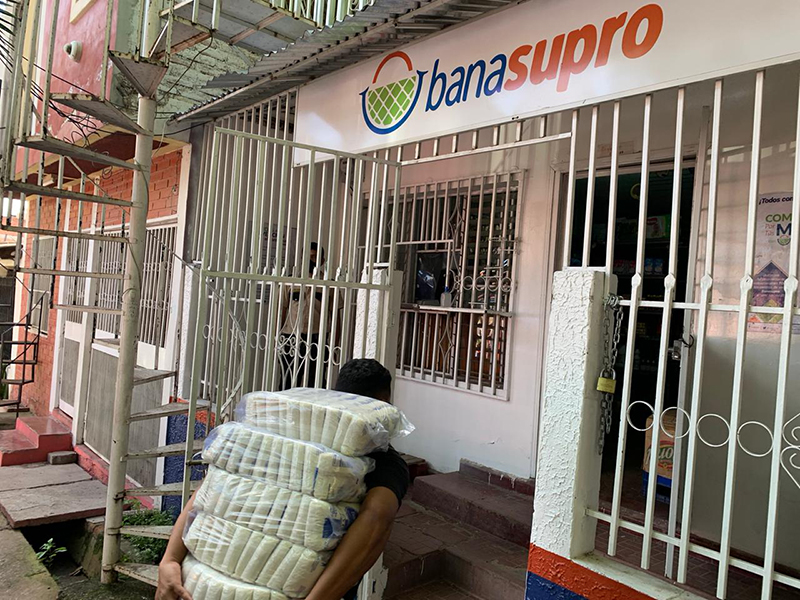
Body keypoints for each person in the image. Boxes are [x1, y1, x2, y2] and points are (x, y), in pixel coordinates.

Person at [155, 359, 409, 600]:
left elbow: (214, 487)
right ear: (383, 404)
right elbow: (377, 519)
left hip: (204, 578)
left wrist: (170, 559)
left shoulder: (277, 433)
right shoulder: (385, 462)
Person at [278, 242, 338, 390]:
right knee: (288, 380)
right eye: (308, 257)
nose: (311, 261)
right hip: (291, 337)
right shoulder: (291, 281)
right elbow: (282, 311)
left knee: (315, 382)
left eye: (315, 257)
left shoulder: (329, 284)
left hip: (317, 339)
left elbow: (335, 317)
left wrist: (334, 345)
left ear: (322, 260)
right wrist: (277, 338)